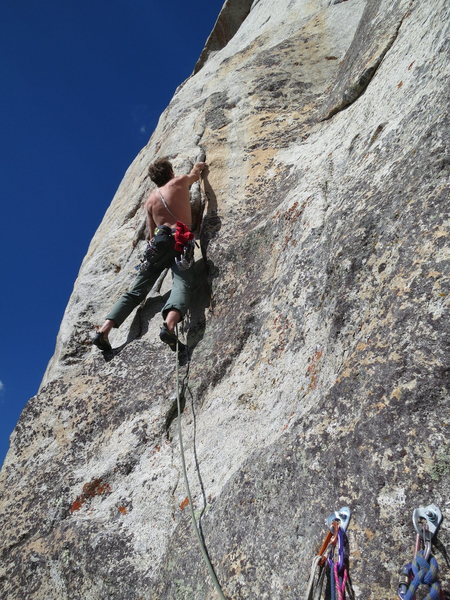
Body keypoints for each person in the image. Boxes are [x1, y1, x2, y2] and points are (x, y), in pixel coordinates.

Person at [93, 158, 207, 353]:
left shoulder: (150, 201)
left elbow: (149, 232)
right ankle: (169, 326)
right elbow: (195, 176)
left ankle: (104, 330)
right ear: (170, 171)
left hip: (157, 245)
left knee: (135, 291)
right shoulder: (178, 182)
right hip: (180, 241)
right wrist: (199, 165)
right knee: (182, 283)